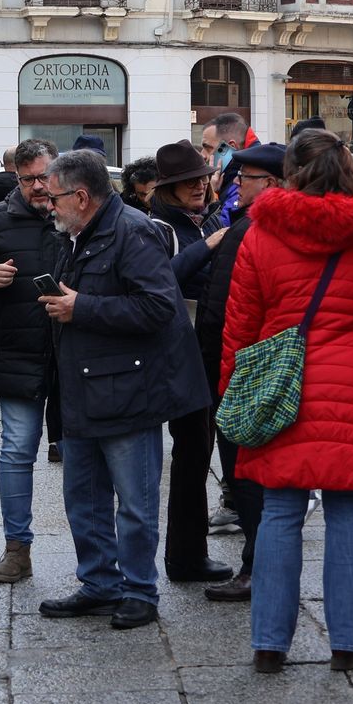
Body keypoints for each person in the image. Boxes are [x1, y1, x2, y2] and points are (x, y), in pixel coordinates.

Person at [221, 130, 353, 673]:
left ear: (291, 173)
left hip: (280, 390)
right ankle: (349, 643)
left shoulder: (261, 235)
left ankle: (268, 643)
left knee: (280, 513)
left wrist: (233, 398)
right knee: (346, 512)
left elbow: (238, 330)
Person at [38, 150, 208, 630]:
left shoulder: (134, 232)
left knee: (135, 502)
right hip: (83, 385)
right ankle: (99, 583)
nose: (49, 206)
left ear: (82, 196)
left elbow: (159, 308)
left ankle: (138, 590)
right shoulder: (77, 233)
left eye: (54, 198)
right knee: (83, 497)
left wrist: (83, 308)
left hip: (129, 389)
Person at [0, 139, 60, 585]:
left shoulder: (78, 213)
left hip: (75, 357)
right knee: (17, 451)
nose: (39, 187)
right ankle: (17, 547)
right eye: (29, 179)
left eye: (44, 177)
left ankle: (97, 555)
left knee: (79, 456)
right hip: (19, 353)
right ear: (15, 177)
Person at [196, 142, 285, 602]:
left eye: (244, 177)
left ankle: (255, 566)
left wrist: (218, 375)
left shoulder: (249, 229)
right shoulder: (266, 225)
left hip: (240, 369)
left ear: (268, 184)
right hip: (264, 365)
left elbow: (222, 311)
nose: (235, 184)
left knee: (244, 473)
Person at [147, 140, 231, 582]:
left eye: (201, 178)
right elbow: (161, 281)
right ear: (170, 189)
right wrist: (210, 245)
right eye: (187, 182)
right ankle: (184, 556)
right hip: (181, 348)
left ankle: (193, 549)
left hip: (216, 343)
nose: (199, 186)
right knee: (192, 451)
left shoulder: (211, 218)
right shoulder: (157, 226)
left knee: (210, 447)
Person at [202, 112, 259, 226]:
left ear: (231, 147)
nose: (203, 155)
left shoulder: (240, 186)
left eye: (208, 148)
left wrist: (212, 194)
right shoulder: (233, 177)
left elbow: (218, 233)